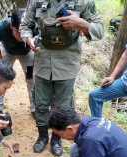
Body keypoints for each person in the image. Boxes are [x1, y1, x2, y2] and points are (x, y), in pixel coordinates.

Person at [20, 0, 104, 155]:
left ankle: (56, 139)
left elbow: (99, 31)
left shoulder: (83, 2)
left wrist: (80, 24)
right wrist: (28, 39)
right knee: (40, 103)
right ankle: (42, 136)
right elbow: (25, 25)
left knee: (64, 106)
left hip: (67, 61)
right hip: (43, 59)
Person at [89, 1, 127, 145]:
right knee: (95, 96)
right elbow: (126, 54)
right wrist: (112, 76)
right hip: (124, 81)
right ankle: (98, 132)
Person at [0, 9, 36, 118]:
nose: (22, 36)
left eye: (25, 32)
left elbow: (40, 47)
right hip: (7, 51)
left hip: (27, 52)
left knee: (31, 78)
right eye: (18, 32)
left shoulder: (34, 27)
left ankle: (35, 108)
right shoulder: (0, 27)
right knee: (1, 76)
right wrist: (0, 61)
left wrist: (35, 64)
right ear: (11, 26)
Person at [48, 105, 127, 157]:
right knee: (74, 149)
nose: (63, 138)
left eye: (61, 135)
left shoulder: (90, 140)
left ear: (69, 128)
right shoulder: (92, 121)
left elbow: (91, 143)